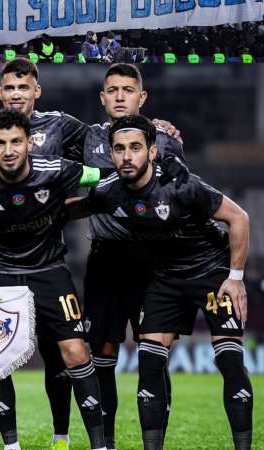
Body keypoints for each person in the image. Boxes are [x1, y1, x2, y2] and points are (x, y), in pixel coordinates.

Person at [71, 114, 253, 450]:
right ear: (111, 154)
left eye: (135, 148)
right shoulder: (110, 192)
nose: (127, 156)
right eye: (120, 149)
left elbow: (238, 218)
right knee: (150, 363)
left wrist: (236, 278)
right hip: (166, 279)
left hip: (211, 273)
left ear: (152, 152)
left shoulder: (181, 184)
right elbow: (75, 208)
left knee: (229, 359)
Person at [0, 108, 106, 450]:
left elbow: (104, 175)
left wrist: (159, 165)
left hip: (49, 271)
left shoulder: (56, 169)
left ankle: (97, 445)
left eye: (16, 141)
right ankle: (11, 445)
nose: (8, 150)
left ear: (30, 142)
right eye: (1, 143)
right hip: (0, 274)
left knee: (75, 352)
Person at [81, 63, 185, 450]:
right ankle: (105, 443)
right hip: (105, 259)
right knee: (102, 352)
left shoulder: (166, 140)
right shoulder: (85, 136)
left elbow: (182, 197)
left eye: (128, 90)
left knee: (152, 353)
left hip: (152, 260)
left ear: (142, 97)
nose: (120, 96)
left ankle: (153, 444)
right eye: (113, 90)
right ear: (102, 98)